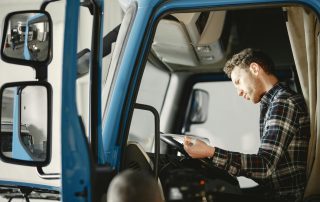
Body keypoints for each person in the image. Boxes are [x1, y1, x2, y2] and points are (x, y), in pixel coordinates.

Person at [183, 48, 310, 201]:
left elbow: (264, 167)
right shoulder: (273, 103)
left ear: (255, 69)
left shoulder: (283, 102)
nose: (238, 92)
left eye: (238, 82)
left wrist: (210, 152)